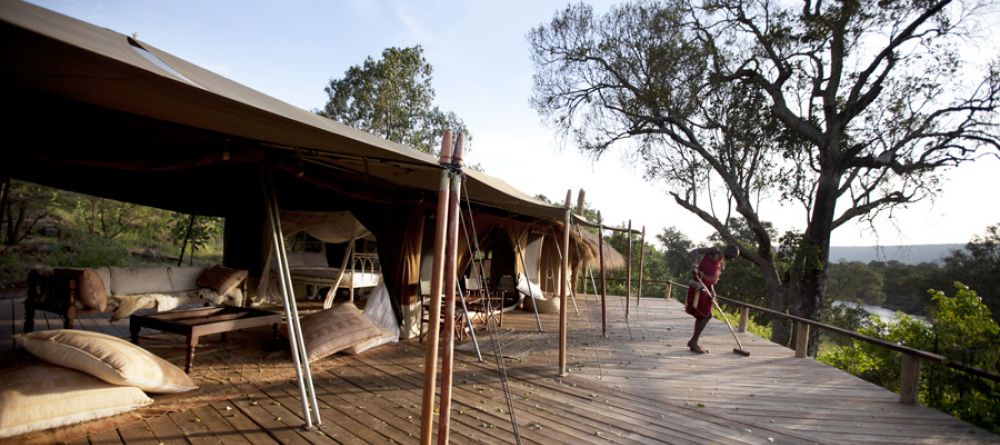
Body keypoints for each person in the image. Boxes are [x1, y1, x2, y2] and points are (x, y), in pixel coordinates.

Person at [685, 244, 739, 353]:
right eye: (733, 256)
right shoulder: (715, 252)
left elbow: (710, 276)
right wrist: (695, 266)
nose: (732, 259)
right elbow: (695, 251)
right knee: (706, 315)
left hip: (705, 290)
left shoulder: (720, 262)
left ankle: (693, 342)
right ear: (730, 251)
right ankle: (693, 342)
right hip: (698, 289)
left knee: (703, 316)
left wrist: (712, 290)